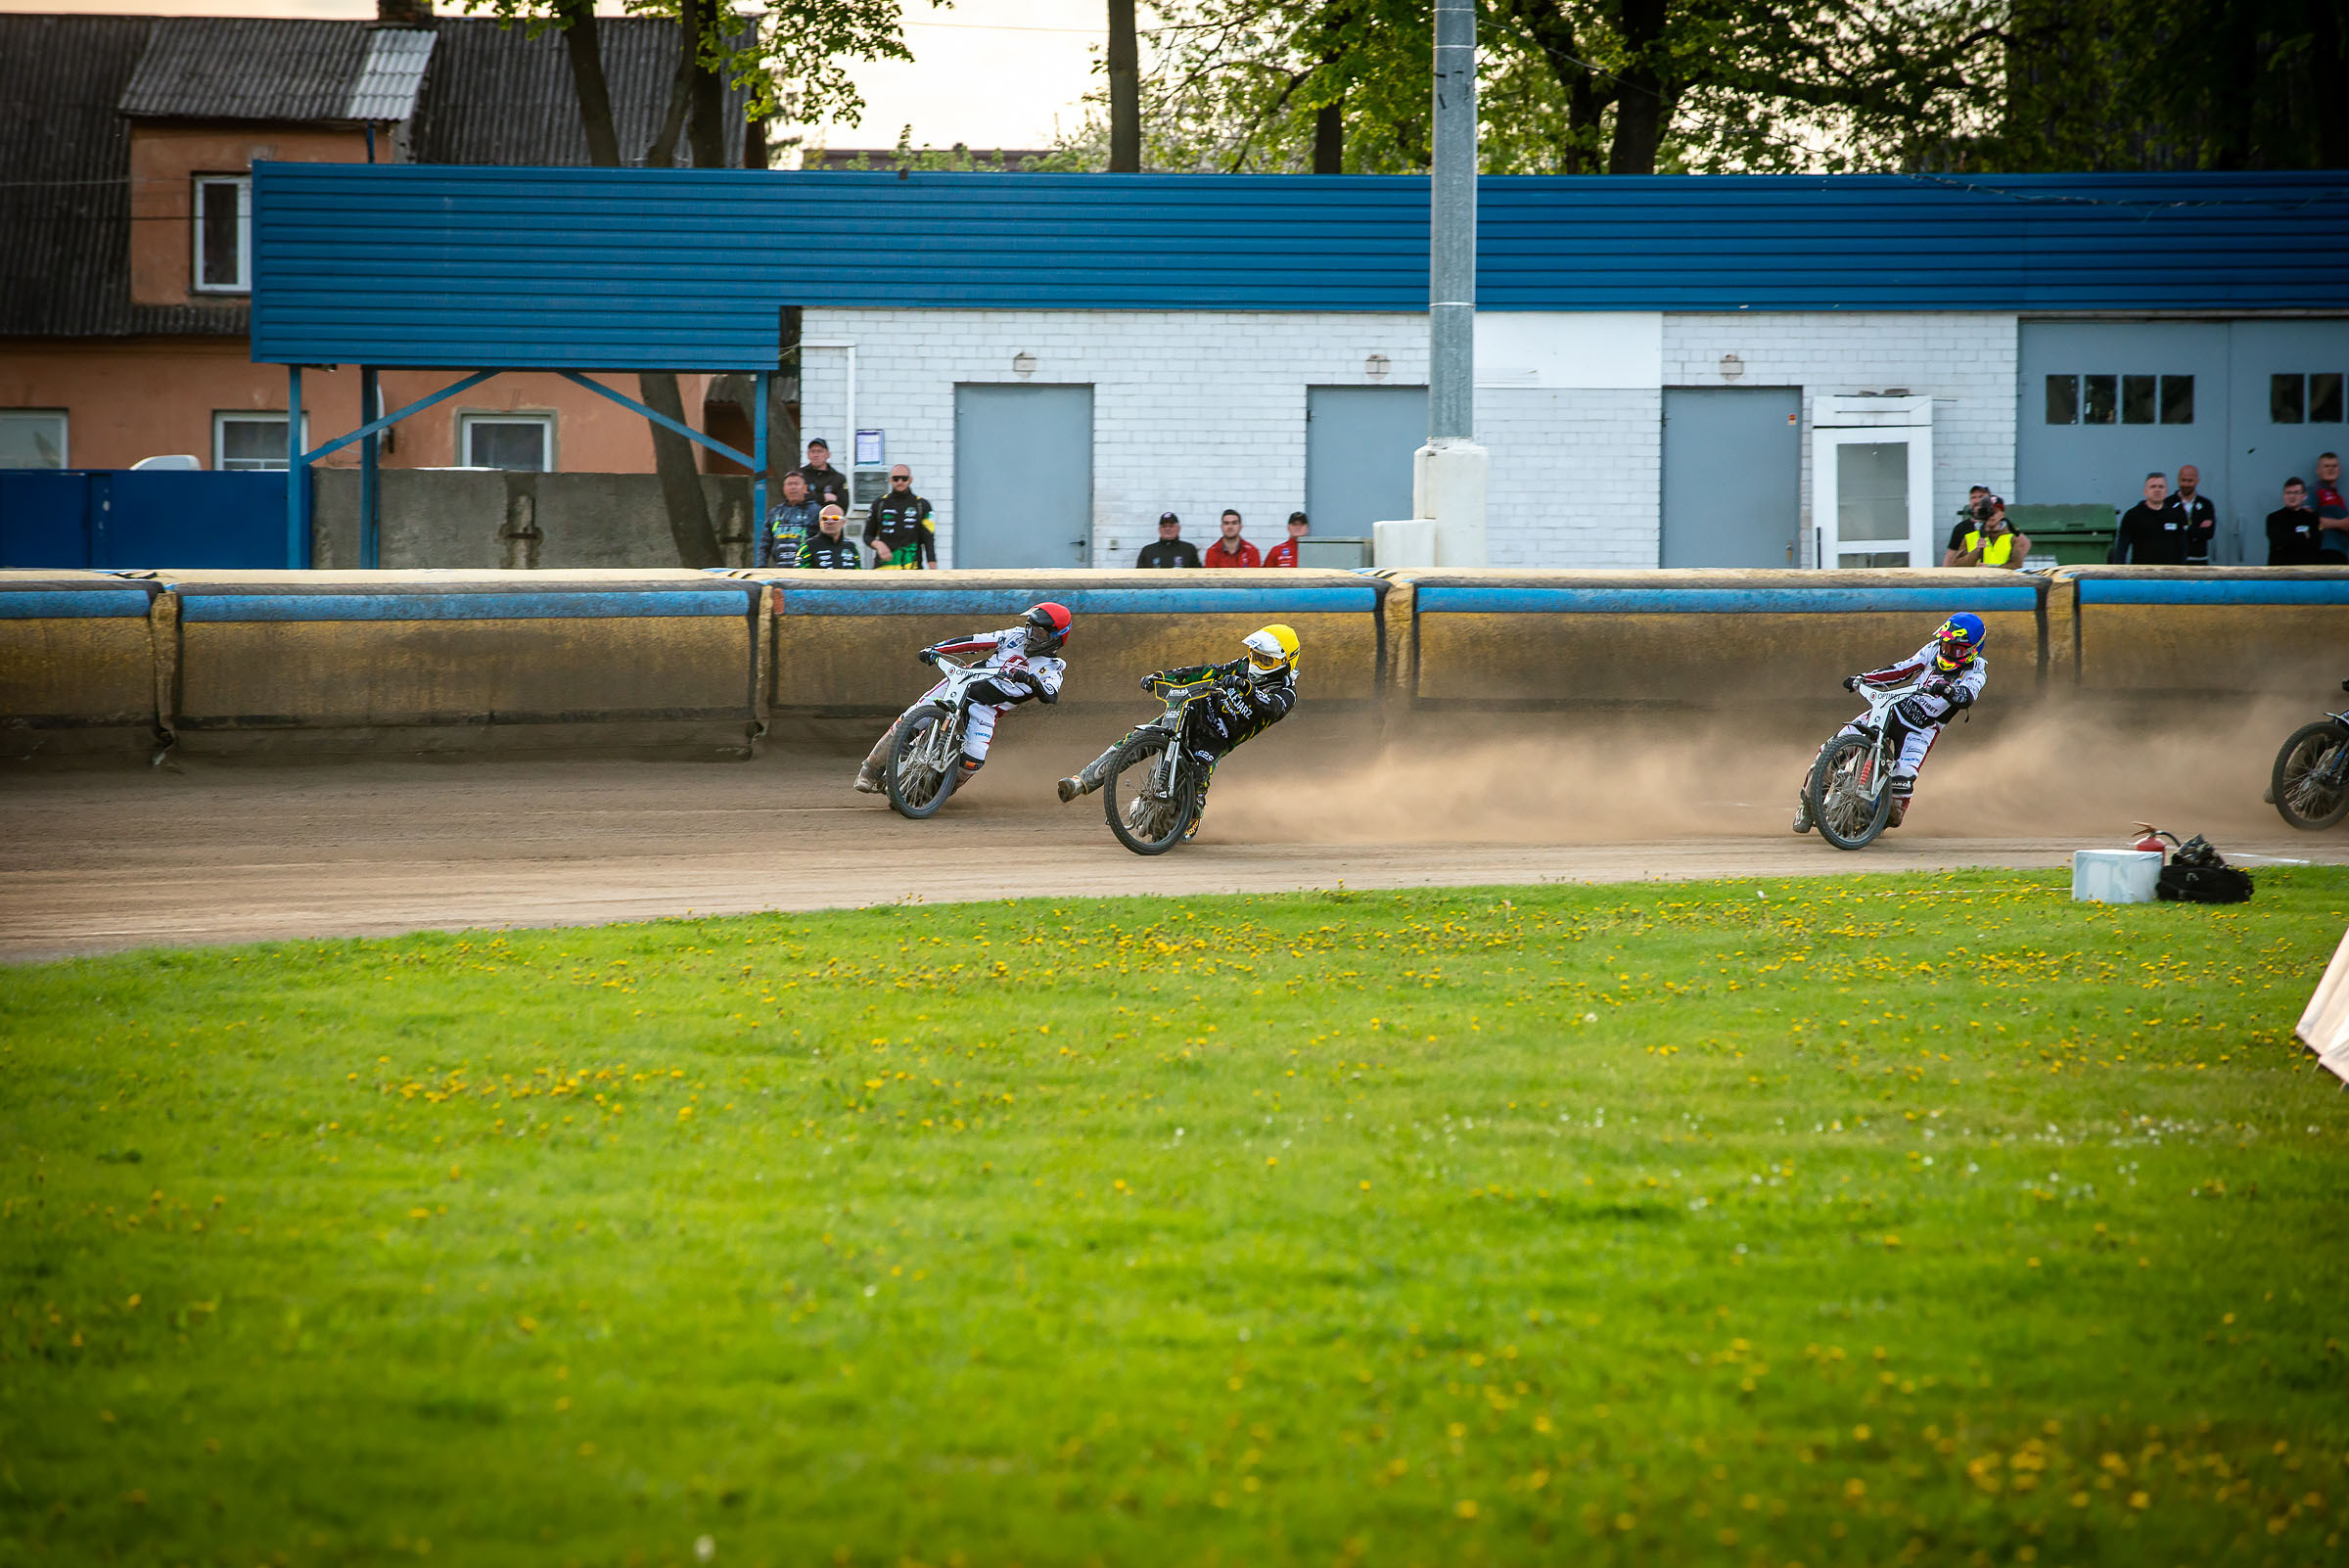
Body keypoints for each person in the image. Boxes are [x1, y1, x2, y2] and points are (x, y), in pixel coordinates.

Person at [1056, 624, 1300, 841]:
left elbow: (1271, 707)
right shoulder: (1243, 666)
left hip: (1218, 737)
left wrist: (1246, 688)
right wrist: (1163, 676)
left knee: (1198, 774)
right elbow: (1207, 671)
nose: (1256, 663)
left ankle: (1191, 815)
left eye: (1265, 661)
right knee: (1137, 741)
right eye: (1254, 656)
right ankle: (1080, 782)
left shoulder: (1287, 693)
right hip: (1193, 710)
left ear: (1286, 662)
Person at [1792, 614, 1987, 835]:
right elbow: (1902, 669)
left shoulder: (1976, 671)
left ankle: (1873, 822)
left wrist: (1949, 690)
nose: (1946, 651)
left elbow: (1966, 696)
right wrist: (1863, 678)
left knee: (1898, 802)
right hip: (1892, 709)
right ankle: (1807, 805)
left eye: (1955, 649)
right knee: (1831, 750)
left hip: (1920, 732)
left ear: (1972, 650)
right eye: (1946, 645)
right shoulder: (1933, 649)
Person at [854, 602, 1073, 795]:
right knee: (914, 716)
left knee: (973, 759)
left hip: (987, 708)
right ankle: (870, 770)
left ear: (1056, 638)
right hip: (963, 682)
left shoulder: (1052, 668)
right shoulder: (1013, 636)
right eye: (1030, 629)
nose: (1032, 636)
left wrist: (1032, 681)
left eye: (1040, 633)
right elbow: (974, 642)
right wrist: (935, 649)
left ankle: (932, 792)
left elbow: (1051, 696)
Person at [864, 465, 936, 569]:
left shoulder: (922, 505)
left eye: (904, 478)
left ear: (910, 480)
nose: (900, 482)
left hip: (912, 569)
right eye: (896, 479)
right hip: (884, 570)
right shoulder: (879, 503)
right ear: (890, 480)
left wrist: (933, 566)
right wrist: (878, 545)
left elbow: (929, 539)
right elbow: (867, 535)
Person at [2111, 472, 2188, 564]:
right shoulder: (2132, 516)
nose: (2157, 490)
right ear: (2145, 491)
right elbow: (2121, 549)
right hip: (2141, 574)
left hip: (2169, 575)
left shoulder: (2176, 516)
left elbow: (2183, 548)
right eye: (2153, 486)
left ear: (2166, 491)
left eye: (2161, 486)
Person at [1950, 494, 2031, 571]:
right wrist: (1976, 552)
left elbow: (2016, 566)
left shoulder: (2012, 538)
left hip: (2003, 584)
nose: (1992, 515)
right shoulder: (1969, 537)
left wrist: (1991, 569)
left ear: (2002, 514)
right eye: (1990, 512)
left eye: (1996, 511)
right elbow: (1957, 566)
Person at [760, 472, 821, 567]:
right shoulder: (775, 512)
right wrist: (761, 567)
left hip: (806, 568)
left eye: (796, 484)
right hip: (780, 568)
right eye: (789, 484)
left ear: (805, 488)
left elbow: (822, 541)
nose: (793, 487)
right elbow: (765, 544)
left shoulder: (816, 511)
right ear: (784, 489)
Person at [2168, 463, 2217, 566]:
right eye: (2183, 480)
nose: (2186, 484)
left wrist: (2183, 528)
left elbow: (2209, 533)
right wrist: (2195, 529)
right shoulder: (2168, 503)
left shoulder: (2206, 504)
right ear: (2178, 480)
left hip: (2199, 561)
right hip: (2174, 562)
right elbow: (2167, 534)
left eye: (2190, 481)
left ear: (2197, 481)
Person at [797, 504, 861, 569]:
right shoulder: (808, 546)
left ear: (843, 522)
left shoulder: (851, 546)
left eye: (835, 518)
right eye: (825, 519)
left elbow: (858, 574)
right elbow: (800, 575)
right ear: (820, 522)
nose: (829, 522)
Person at [798, 438, 853, 513]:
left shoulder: (838, 478)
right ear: (808, 455)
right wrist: (824, 497)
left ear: (827, 455)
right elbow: (795, 498)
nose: (816, 455)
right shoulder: (800, 475)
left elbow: (843, 506)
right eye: (813, 451)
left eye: (820, 451)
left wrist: (810, 497)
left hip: (827, 521)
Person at [1942, 485, 1993, 566]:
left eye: (1981, 497)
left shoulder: (1998, 525)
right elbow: (1950, 559)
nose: (1977, 500)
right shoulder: (1961, 528)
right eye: (1973, 497)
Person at [2315, 452, 2348, 564]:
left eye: (2334, 466)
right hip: (2325, 553)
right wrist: (2340, 524)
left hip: (2342, 552)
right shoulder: (2314, 492)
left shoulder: (2339, 498)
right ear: (2318, 470)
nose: (2331, 469)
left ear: (2339, 470)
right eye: (2326, 466)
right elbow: (2306, 521)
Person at [1137, 512, 1201, 569]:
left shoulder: (1189, 549)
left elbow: (1198, 575)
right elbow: (1139, 577)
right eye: (1164, 526)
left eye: (1171, 526)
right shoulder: (1148, 551)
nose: (1167, 529)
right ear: (1159, 529)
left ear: (1179, 528)